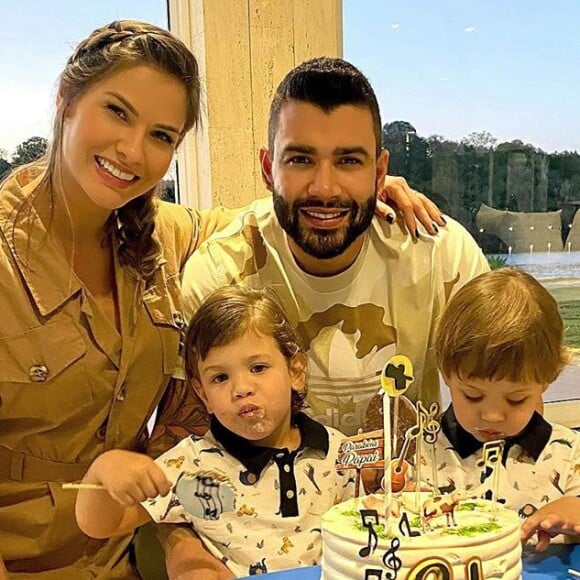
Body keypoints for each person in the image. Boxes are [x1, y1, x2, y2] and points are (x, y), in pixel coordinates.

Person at [0, 19, 447, 578]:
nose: (132, 149)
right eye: (117, 111)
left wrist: (359, 190)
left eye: (162, 135)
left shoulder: (162, 237)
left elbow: (283, 211)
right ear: (66, 98)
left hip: (126, 559)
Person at [181, 57, 490, 438]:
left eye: (348, 161)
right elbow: (196, 435)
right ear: (267, 169)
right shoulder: (218, 277)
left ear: (378, 173)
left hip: (410, 492)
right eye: (300, 159)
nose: (324, 188)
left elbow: (510, 394)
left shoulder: (443, 256)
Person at [75, 286, 354, 577]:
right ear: (203, 394)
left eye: (258, 368)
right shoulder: (191, 465)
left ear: (296, 372)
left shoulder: (338, 453)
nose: (241, 389)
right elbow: (100, 524)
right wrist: (103, 471)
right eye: (220, 377)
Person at [426, 267, 580, 551]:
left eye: (516, 399)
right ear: (446, 373)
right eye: (472, 395)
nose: (493, 415)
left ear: (545, 382)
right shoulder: (418, 454)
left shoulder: (571, 455)